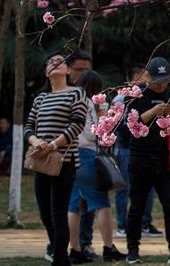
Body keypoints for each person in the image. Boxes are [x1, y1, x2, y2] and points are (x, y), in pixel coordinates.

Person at [125, 57, 170, 264]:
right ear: (147, 76)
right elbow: (131, 124)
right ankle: (133, 251)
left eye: (165, 79)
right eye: (158, 79)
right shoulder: (137, 93)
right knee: (137, 207)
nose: (162, 84)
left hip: (166, 159)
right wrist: (153, 112)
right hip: (140, 158)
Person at [24, 53, 87, 266]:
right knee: (45, 215)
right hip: (41, 161)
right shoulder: (40, 98)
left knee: (58, 213)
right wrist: (35, 142)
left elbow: (77, 124)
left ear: (68, 70)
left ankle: (58, 261)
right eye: (50, 62)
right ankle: (62, 258)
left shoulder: (76, 93)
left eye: (60, 61)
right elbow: (28, 126)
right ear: (46, 71)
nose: (55, 63)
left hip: (63, 161)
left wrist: (51, 145)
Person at [67, 70, 126, 263]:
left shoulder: (70, 101)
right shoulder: (95, 104)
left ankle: (74, 249)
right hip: (87, 154)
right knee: (100, 203)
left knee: (73, 205)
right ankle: (109, 248)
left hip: (69, 155)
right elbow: (99, 132)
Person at [113, 64, 158, 239]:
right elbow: (119, 127)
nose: (149, 80)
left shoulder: (153, 96)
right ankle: (123, 226)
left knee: (149, 188)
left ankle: (145, 224)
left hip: (146, 149)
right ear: (134, 79)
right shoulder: (121, 99)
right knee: (124, 188)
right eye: (145, 77)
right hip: (125, 148)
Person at [66, 50, 97, 261]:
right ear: (68, 70)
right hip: (76, 152)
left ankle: (84, 244)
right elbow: (85, 132)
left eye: (86, 70)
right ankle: (70, 246)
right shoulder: (68, 96)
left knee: (88, 204)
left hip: (90, 153)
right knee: (74, 203)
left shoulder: (93, 98)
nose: (82, 75)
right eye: (78, 70)